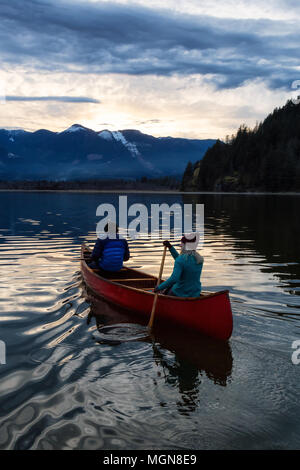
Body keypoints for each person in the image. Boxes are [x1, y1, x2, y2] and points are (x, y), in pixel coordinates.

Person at [154, 233, 203, 297]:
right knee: (170, 286)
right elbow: (182, 261)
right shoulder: (199, 259)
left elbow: (174, 279)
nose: (180, 245)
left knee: (169, 287)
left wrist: (159, 288)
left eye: (182, 243)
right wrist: (170, 247)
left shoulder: (181, 260)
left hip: (180, 293)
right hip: (195, 293)